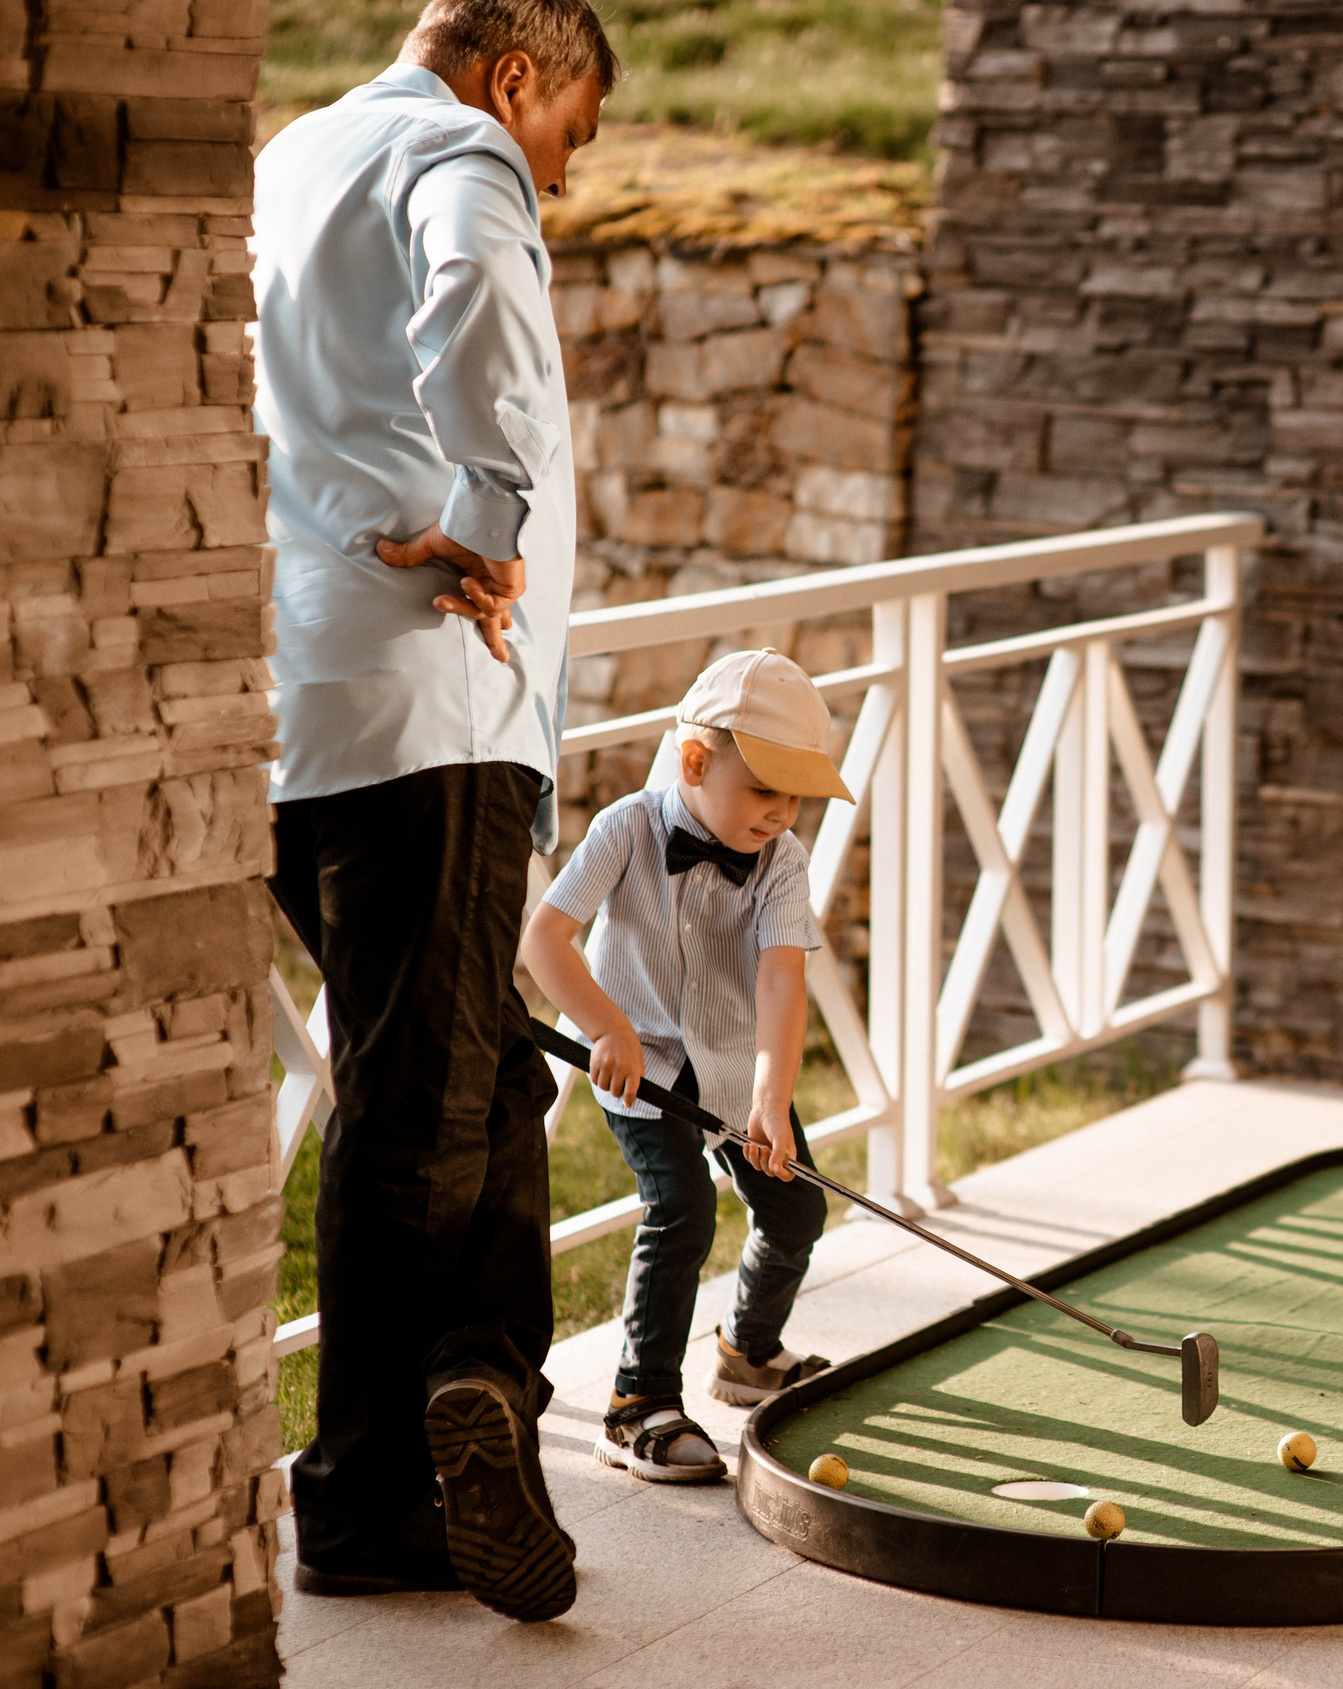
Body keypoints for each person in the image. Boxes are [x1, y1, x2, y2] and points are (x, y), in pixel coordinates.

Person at [253, 0, 615, 1623]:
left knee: (470, 1080)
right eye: (569, 136)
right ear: (515, 74)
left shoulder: (287, 155)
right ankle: (372, 1491)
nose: (561, 175)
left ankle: (480, 1381)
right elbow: (474, 294)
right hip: (430, 707)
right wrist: (483, 515)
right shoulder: (454, 145)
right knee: (419, 1102)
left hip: (290, 700)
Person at [521, 649, 853, 1482]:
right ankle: (638, 1404)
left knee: (796, 1212)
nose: (780, 813)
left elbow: (782, 976)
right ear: (696, 762)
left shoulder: (782, 860)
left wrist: (772, 1099)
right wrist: (606, 1025)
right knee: (683, 1209)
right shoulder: (626, 828)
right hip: (643, 1064)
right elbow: (544, 941)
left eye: (794, 796)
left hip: (740, 1070)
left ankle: (746, 1354)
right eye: (764, 790)